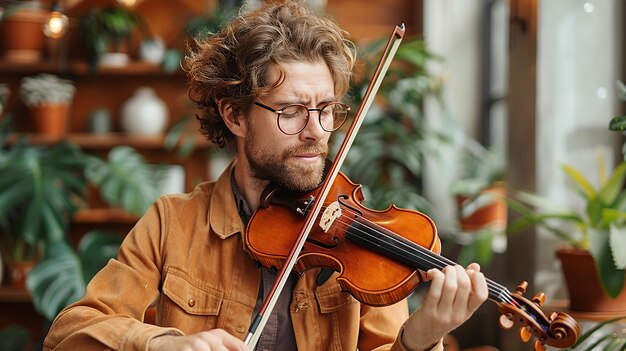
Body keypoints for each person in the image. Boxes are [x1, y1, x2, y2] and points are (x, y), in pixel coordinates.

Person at [44, 1, 488, 350]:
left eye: (327, 110)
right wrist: (162, 343)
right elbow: (69, 335)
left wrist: (419, 339)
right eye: (292, 112)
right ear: (235, 114)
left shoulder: (351, 238)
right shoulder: (171, 225)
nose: (317, 131)